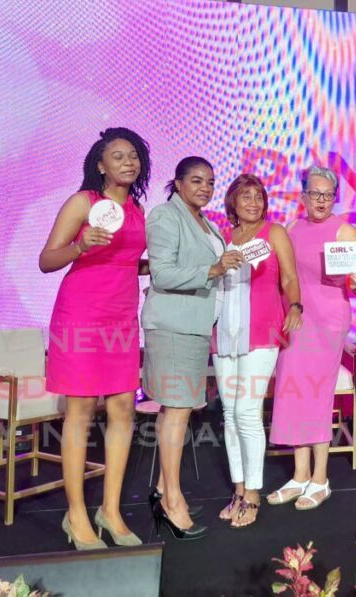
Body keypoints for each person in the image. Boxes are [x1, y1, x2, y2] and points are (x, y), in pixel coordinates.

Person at [41, 127, 150, 550]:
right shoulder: (83, 202)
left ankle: (111, 510)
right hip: (81, 315)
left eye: (133, 155)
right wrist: (79, 245)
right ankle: (76, 514)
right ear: (101, 165)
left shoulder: (137, 210)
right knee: (81, 410)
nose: (128, 162)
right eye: (118, 156)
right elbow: (47, 260)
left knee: (123, 408)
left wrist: (155, 267)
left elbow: (124, 261)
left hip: (121, 316)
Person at [142, 156, 243, 540]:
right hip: (174, 327)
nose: (205, 188)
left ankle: (163, 491)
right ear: (179, 183)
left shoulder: (204, 221)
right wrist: (213, 269)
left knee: (174, 410)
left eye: (211, 182)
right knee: (178, 411)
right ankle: (172, 502)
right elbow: (162, 272)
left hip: (194, 325)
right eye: (197, 180)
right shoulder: (166, 216)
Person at [267, 166, 356, 510]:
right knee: (294, 391)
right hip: (296, 318)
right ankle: (300, 475)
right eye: (315, 193)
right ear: (304, 195)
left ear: (335, 198)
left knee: (318, 393)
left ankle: (320, 478)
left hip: (328, 320)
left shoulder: (345, 231)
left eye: (328, 195)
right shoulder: (292, 228)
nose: (322, 200)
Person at [213, 174, 302, 527]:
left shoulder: (274, 232)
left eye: (258, 196)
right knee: (230, 414)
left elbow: (289, 277)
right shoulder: (222, 237)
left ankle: (253, 492)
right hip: (223, 332)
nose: (253, 202)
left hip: (262, 331)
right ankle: (238, 489)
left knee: (247, 412)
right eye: (245, 196)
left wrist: (295, 306)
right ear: (232, 203)